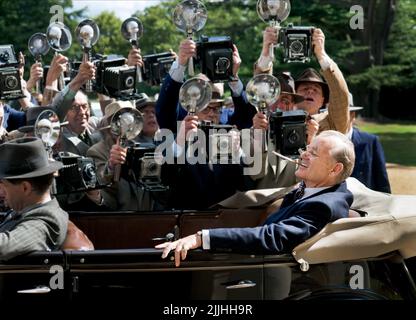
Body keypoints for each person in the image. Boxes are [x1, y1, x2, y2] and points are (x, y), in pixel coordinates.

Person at [156, 130, 354, 267]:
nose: (303, 155)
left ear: (335, 169)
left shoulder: (324, 205)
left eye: (314, 154)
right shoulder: (315, 188)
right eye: (307, 149)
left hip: (272, 276)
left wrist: (201, 238)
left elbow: (273, 237)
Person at [255, 27, 350, 134]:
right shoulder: (275, 118)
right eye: (305, 88)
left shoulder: (331, 122)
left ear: (323, 100)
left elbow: (340, 97)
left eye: (316, 90)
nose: (310, 91)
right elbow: (261, 92)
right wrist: (266, 54)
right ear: (294, 97)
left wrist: (321, 54)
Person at [0, 137, 68, 261]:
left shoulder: (46, 221)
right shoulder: (26, 209)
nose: (1, 192)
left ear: (25, 187)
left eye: (4, 185)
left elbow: (4, 247)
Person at [86, 100, 154, 211]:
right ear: (110, 126)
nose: (126, 125)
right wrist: (111, 165)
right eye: (119, 120)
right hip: (120, 217)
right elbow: (100, 185)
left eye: (130, 119)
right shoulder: (96, 151)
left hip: (150, 216)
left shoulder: (142, 147)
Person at [346, 94, 391, 193]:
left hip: (365, 204)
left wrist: (385, 205)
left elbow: (381, 179)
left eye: (342, 113)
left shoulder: (370, 141)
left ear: (352, 115)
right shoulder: (321, 141)